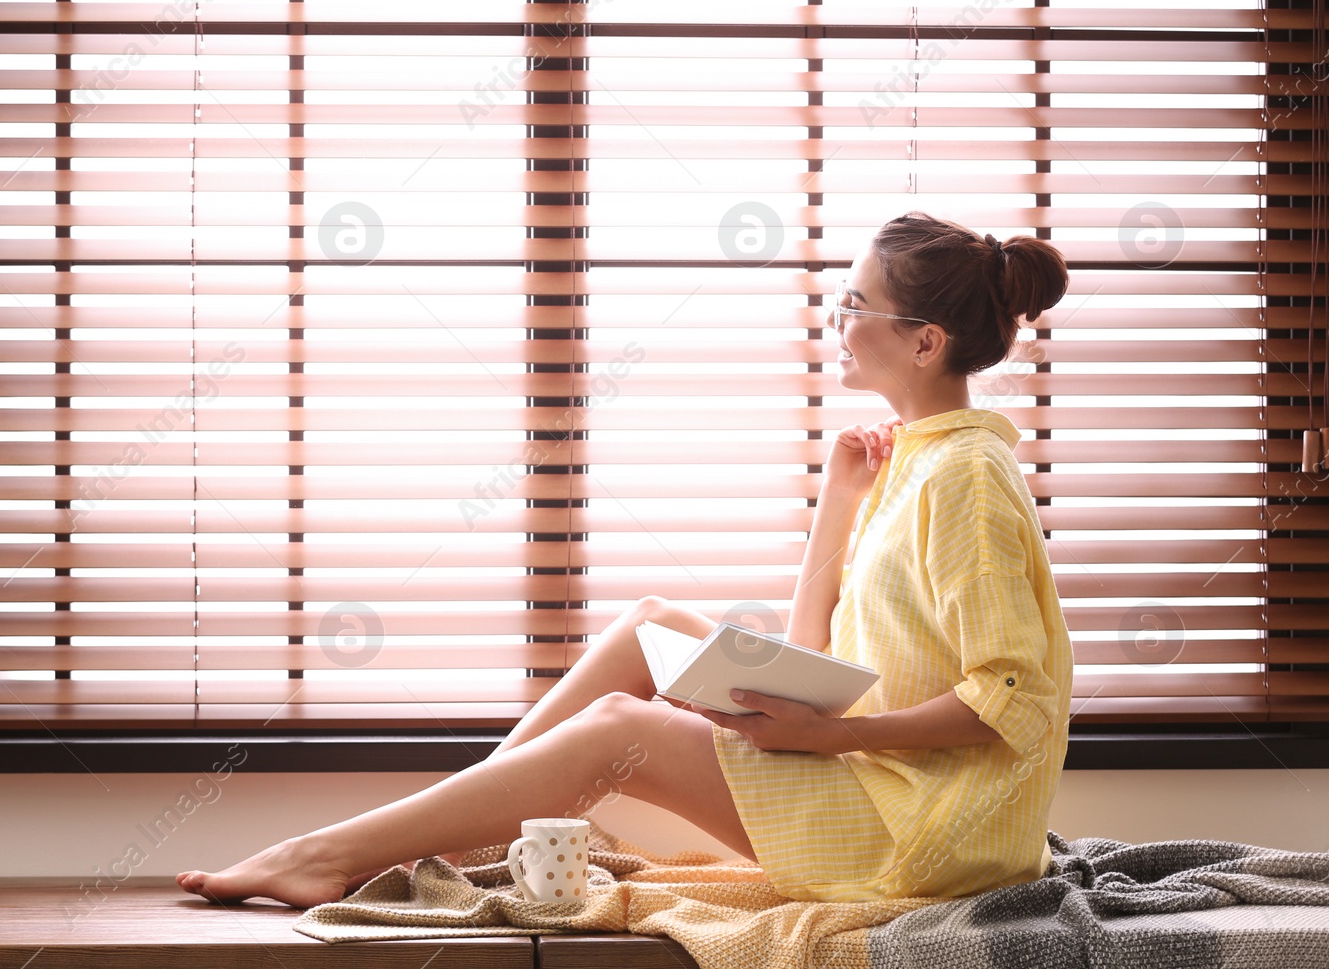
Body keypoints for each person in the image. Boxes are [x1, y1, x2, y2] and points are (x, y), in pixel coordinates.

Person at [175, 210, 1075, 907]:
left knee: (618, 725)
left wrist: (833, 734)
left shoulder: (964, 476)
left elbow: (1013, 698)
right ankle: (434, 849)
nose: (835, 316)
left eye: (856, 303)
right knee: (647, 626)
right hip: (877, 779)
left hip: (926, 836)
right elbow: (825, 663)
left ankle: (327, 856)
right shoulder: (908, 454)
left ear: (925, 341)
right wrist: (835, 506)